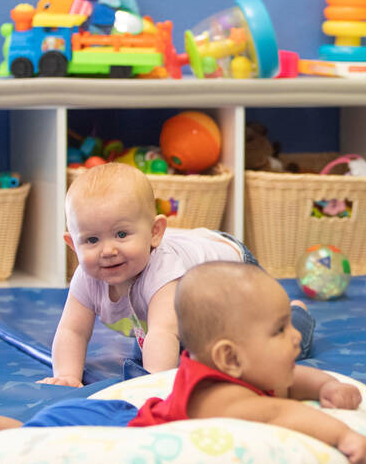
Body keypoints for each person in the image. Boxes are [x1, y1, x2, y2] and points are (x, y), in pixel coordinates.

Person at [0, 261, 366, 464]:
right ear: (229, 358)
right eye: (281, 330)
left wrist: (329, 384)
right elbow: (281, 415)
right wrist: (343, 436)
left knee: (23, 433)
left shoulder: (246, 367)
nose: (296, 340)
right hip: (106, 442)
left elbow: (294, 381)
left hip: (124, 418)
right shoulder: (226, 398)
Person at [39, 162, 314, 387]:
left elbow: (162, 332)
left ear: (155, 233)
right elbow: (71, 330)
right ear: (73, 244)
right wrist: (67, 376)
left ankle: (295, 316)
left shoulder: (164, 271)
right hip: (186, 296)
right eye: (91, 240)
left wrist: (154, 388)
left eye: (121, 234)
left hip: (230, 275)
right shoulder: (87, 277)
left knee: (257, 349)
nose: (107, 250)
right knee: (165, 353)